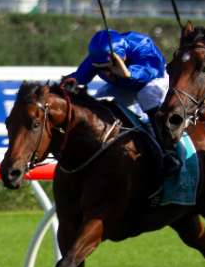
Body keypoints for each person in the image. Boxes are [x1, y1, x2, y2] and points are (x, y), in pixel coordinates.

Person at [66, 29, 180, 174]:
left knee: (147, 96)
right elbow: (80, 76)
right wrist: (72, 80)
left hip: (154, 79)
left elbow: (151, 71)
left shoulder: (142, 44)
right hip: (124, 84)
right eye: (101, 69)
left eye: (109, 68)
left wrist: (129, 73)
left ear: (123, 56)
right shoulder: (99, 56)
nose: (106, 73)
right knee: (99, 100)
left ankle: (167, 152)